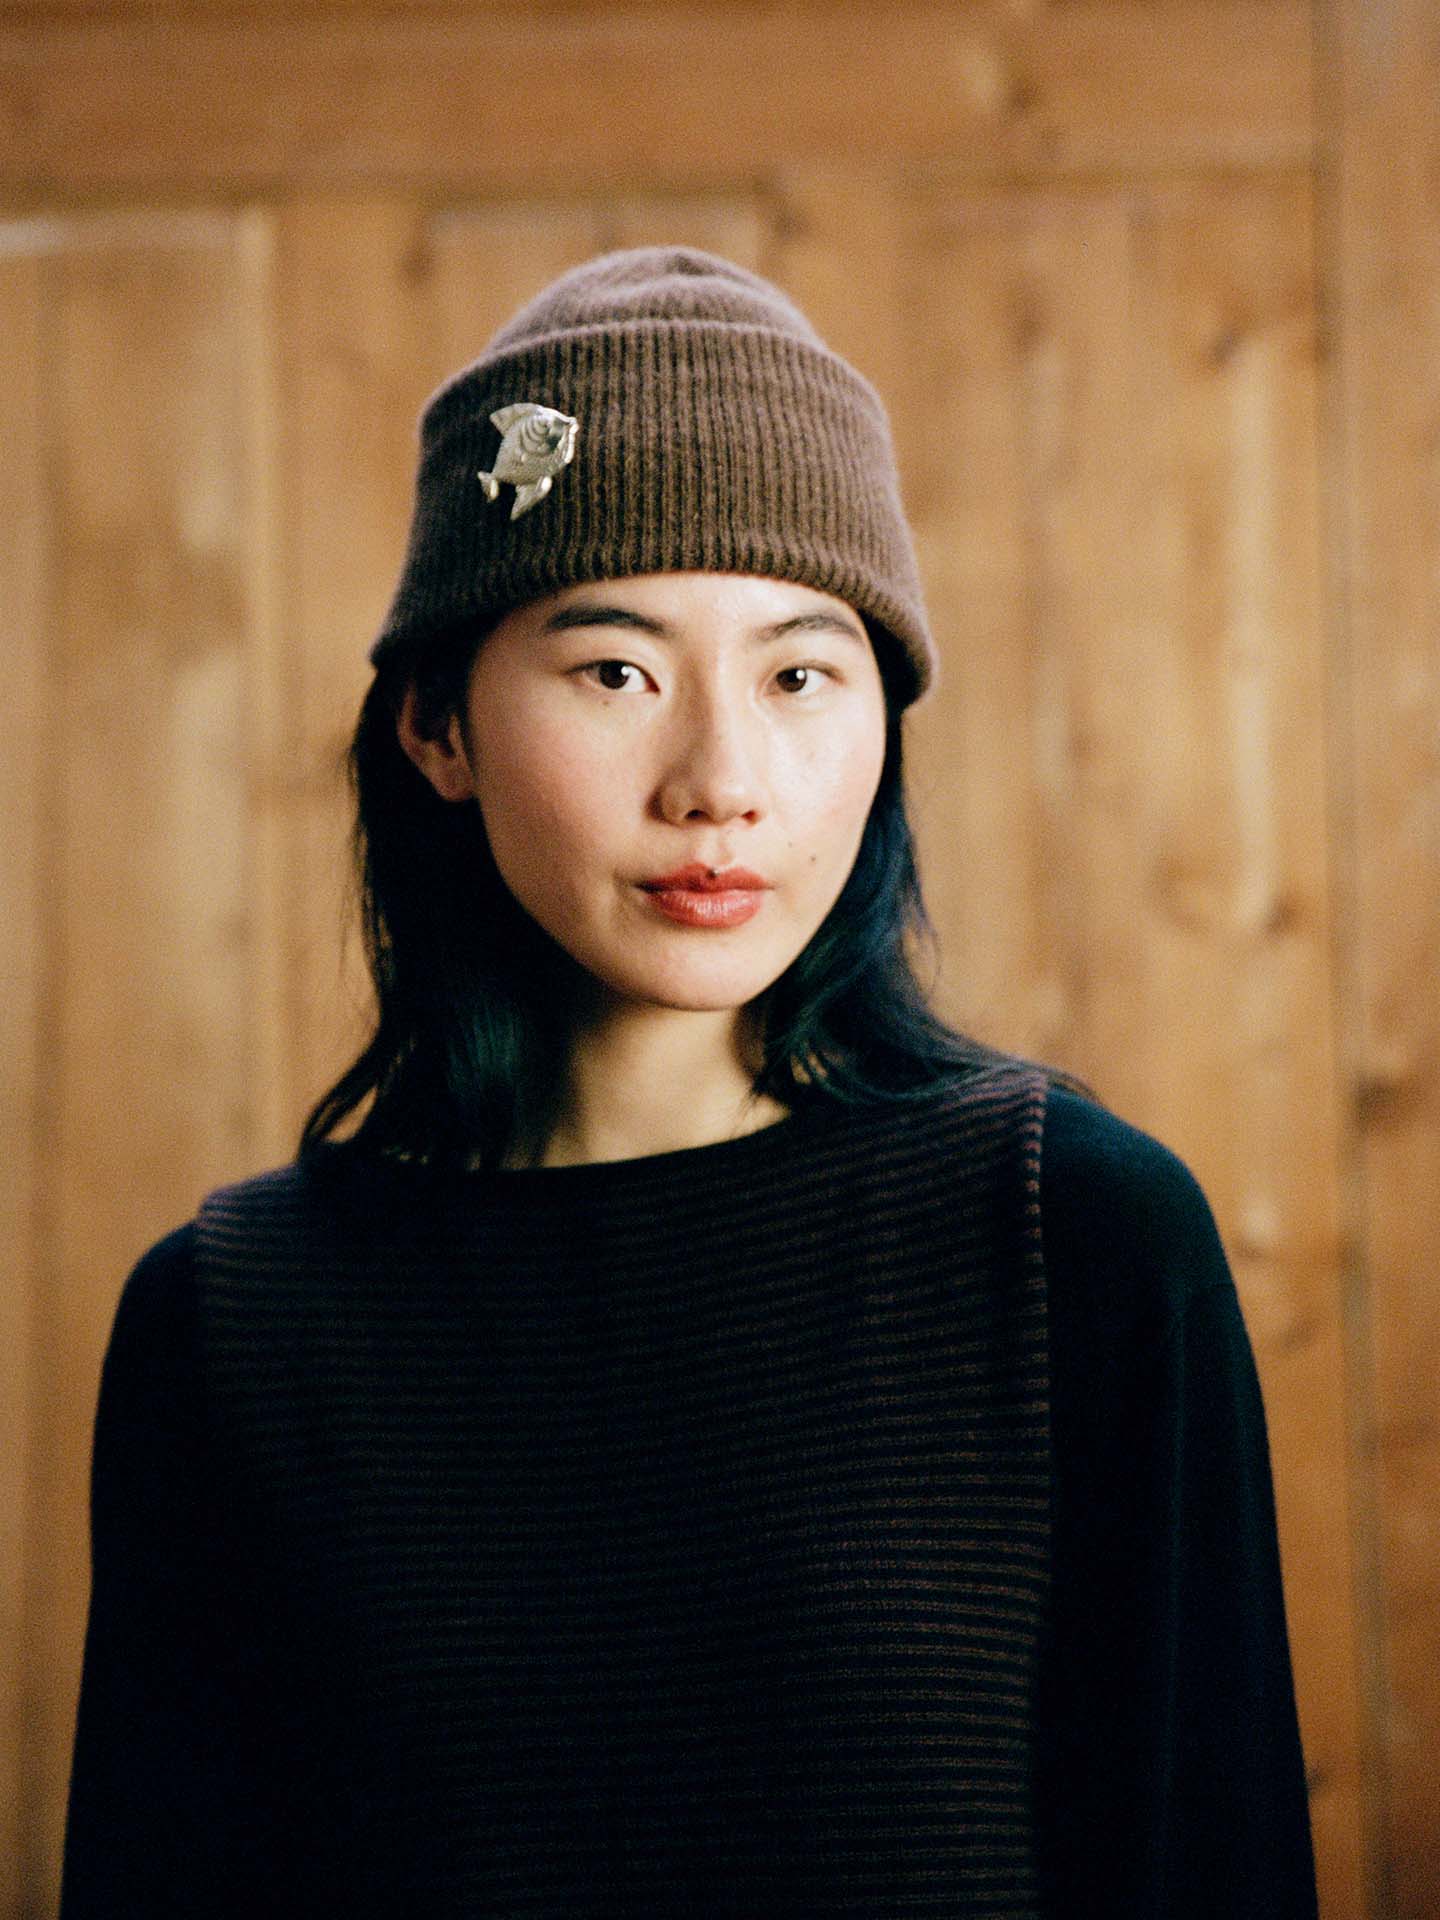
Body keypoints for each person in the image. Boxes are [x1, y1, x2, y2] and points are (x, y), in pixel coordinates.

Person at [60, 247, 1319, 1918]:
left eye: (802, 674)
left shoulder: (1075, 1244)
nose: (723, 782)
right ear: (437, 726)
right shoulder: (231, 1324)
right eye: (617, 673)